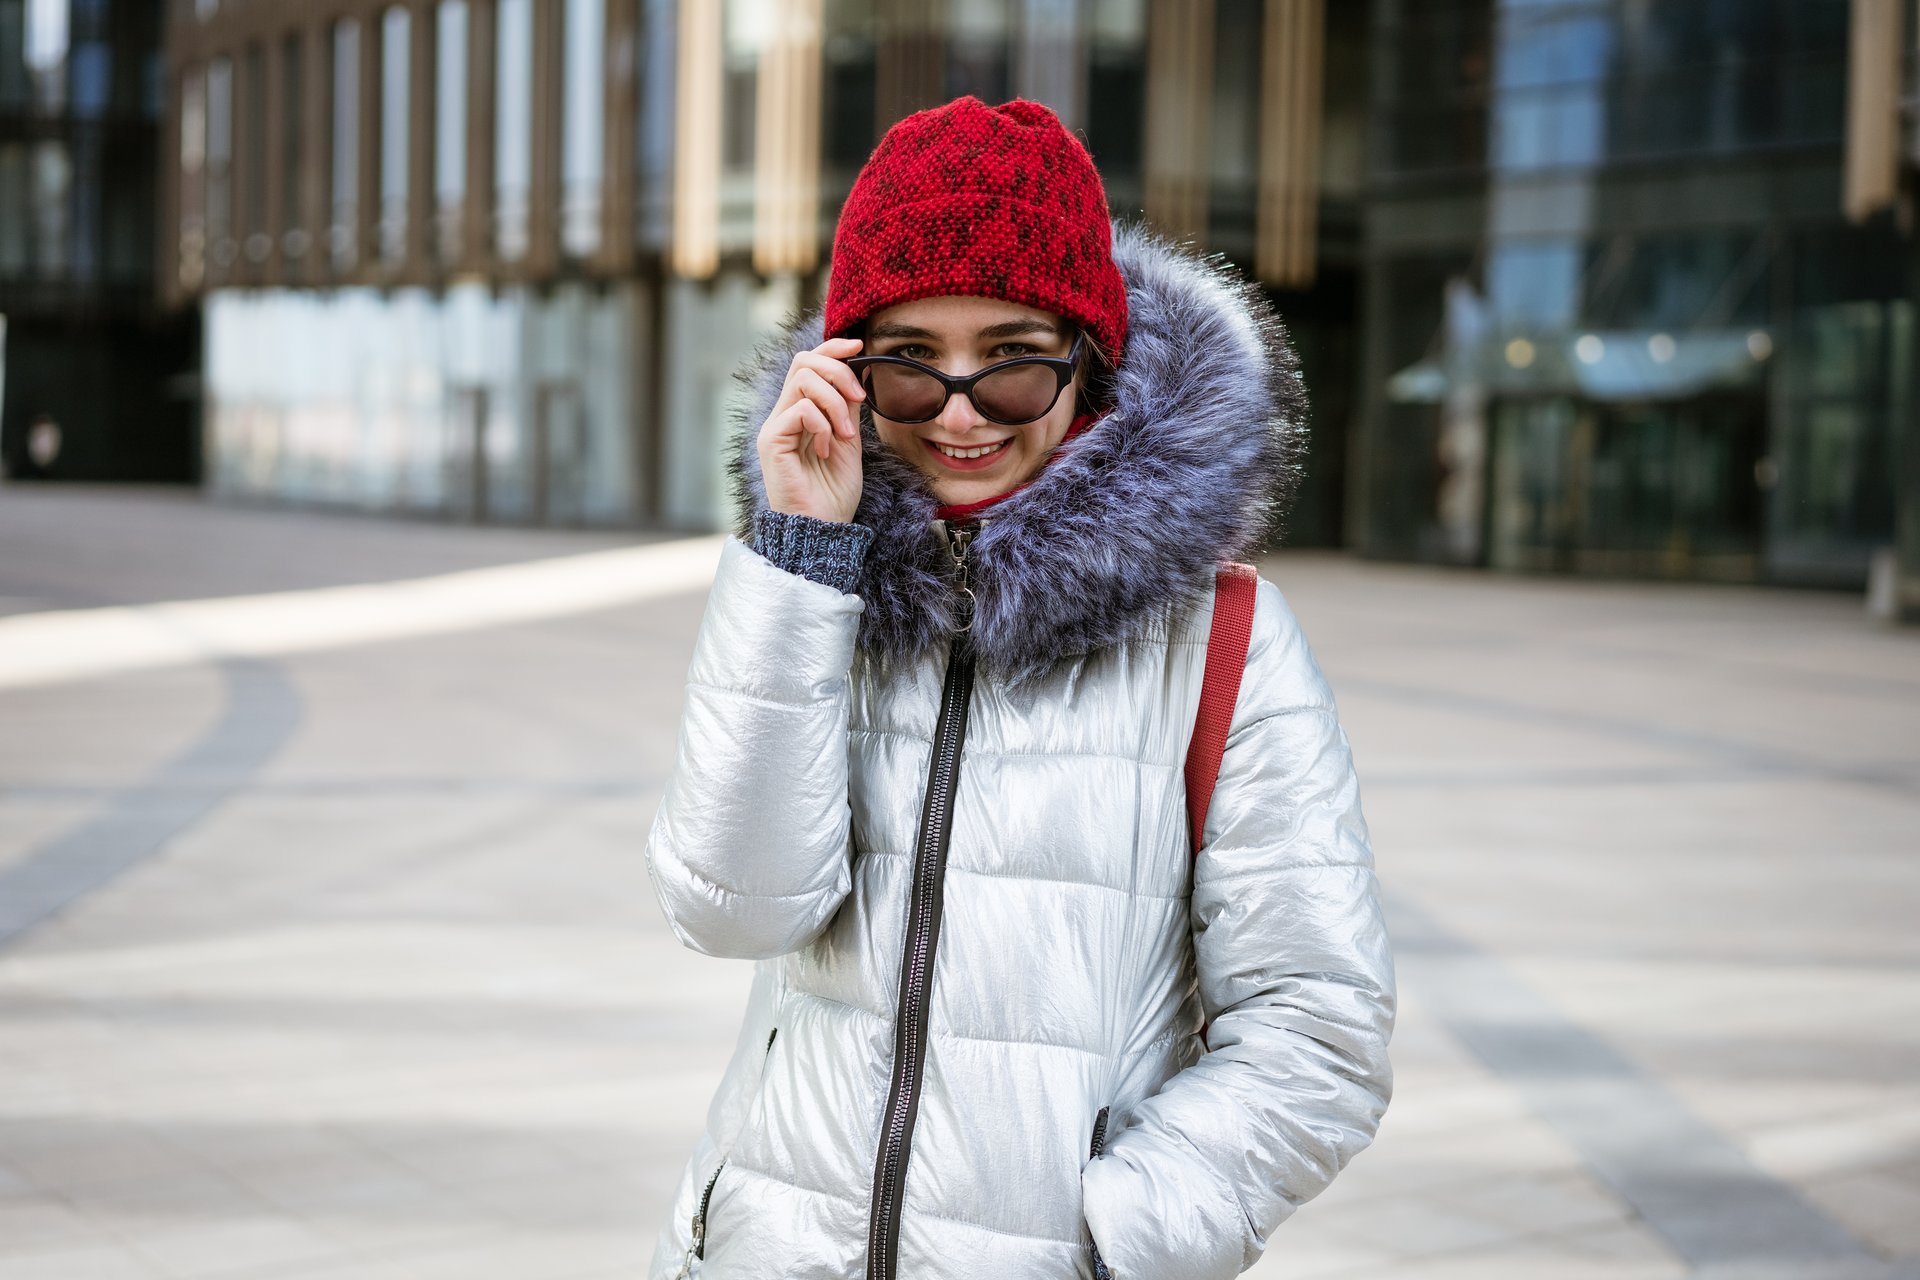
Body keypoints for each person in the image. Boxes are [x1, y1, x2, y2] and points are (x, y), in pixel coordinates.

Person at [645, 96, 1393, 1280]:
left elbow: (1319, 1025)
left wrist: (1117, 1238)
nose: (956, 413)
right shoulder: (810, 588)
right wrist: (800, 561)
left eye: (1010, 366)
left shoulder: (1222, 639)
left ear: (1086, 365)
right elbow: (734, 907)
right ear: (844, 372)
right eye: (907, 367)